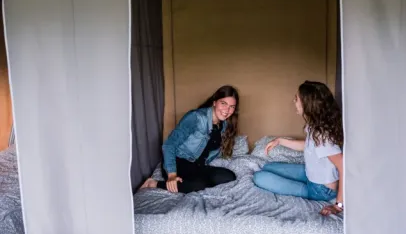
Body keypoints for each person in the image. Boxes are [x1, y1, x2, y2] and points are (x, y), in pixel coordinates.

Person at [253, 81, 344, 216]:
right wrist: (279, 141)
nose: (294, 101)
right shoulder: (314, 125)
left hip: (321, 190)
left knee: (259, 177)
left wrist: (338, 206)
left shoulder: (322, 136)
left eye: (296, 98)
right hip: (310, 175)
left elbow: (343, 166)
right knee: (267, 167)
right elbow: (308, 146)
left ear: (308, 104)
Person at [140, 85, 238, 193]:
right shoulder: (196, 117)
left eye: (232, 106)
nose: (227, 110)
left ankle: (192, 182)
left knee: (229, 176)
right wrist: (172, 174)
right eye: (223, 103)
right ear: (214, 102)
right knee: (198, 185)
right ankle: (153, 183)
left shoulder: (223, 125)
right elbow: (169, 145)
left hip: (197, 165)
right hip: (179, 162)